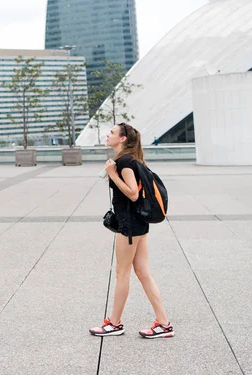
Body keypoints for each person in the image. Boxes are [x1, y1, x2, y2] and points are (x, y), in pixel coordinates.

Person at [89, 122, 173, 339]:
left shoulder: (125, 162)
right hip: (138, 223)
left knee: (122, 273)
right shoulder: (131, 160)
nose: (108, 134)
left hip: (129, 225)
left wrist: (112, 174)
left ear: (123, 139)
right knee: (143, 272)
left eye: (113, 132)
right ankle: (163, 324)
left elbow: (133, 194)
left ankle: (114, 324)